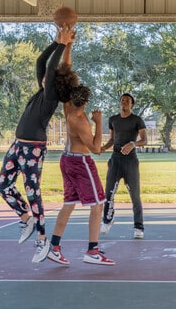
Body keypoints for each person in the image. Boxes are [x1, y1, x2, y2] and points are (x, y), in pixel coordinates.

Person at [0, 9, 78, 263]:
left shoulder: (51, 95)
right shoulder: (41, 89)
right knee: (3, 186)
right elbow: (41, 63)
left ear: (53, 82)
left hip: (33, 149)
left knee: (33, 191)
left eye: (47, 78)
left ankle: (42, 240)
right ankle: (25, 218)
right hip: (17, 145)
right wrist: (57, 42)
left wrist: (63, 47)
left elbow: (52, 67)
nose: (42, 76)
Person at [46, 84, 115, 266]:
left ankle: (54, 247)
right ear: (86, 101)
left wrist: (66, 53)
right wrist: (99, 122)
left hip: (66, 160)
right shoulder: (79, 120)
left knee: (68, 204)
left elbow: (67, 72)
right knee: (98, 204)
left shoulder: (68, 109)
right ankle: (92, 250)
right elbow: (95, 149)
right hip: (80, 163)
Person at [100, 93, 147, 239]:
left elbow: (144, 140)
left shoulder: (137, 120)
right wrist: (103, 148)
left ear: (132, 104)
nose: (124, 103)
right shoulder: (113, 119)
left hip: (130, 161)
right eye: (122, 100)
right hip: (115, 160)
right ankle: (107, 220)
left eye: (127, 101)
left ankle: (138, 227)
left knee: (135, 195)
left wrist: (133, 143)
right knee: (109, 193)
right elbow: (112, 140)